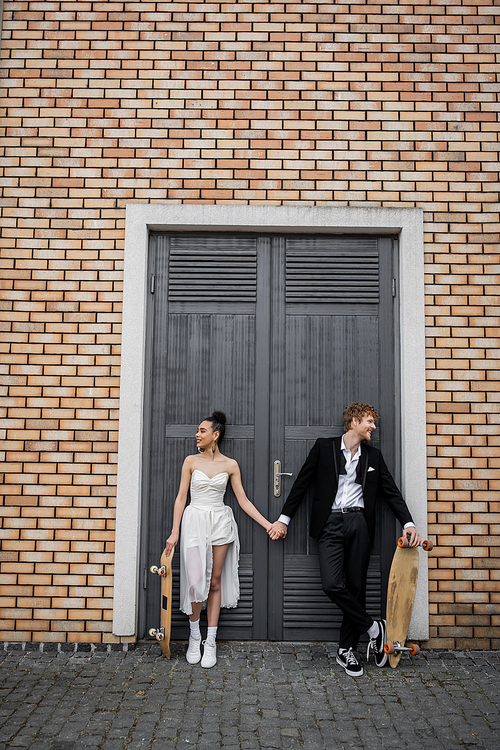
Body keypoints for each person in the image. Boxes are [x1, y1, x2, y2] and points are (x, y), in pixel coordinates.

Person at [269, 402, 422, 677]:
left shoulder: (373, 456)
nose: (373, 427)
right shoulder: (324, 448)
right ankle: (374, 628)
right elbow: (301, 484)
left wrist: (408, 523)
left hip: (359, 523)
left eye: (374, 423)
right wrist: (284, 519)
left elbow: (391, 492)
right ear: (353, 421)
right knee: (331, 584)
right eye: (369, 421)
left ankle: (346, 650)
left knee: (356, 587)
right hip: (329, 523)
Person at [165, 411, 281, 668]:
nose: (197, 434)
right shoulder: (190, 461)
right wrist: (175, 531)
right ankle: (194, 636)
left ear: (215, 435)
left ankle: (211, 642)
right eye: (197, 431)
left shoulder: (230, 465)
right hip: (194, 521)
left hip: (220, 522)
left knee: (214, 582)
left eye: (202, 430)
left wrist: (268, 525)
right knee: (195, 582)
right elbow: (181, 498)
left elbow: (243, 501)